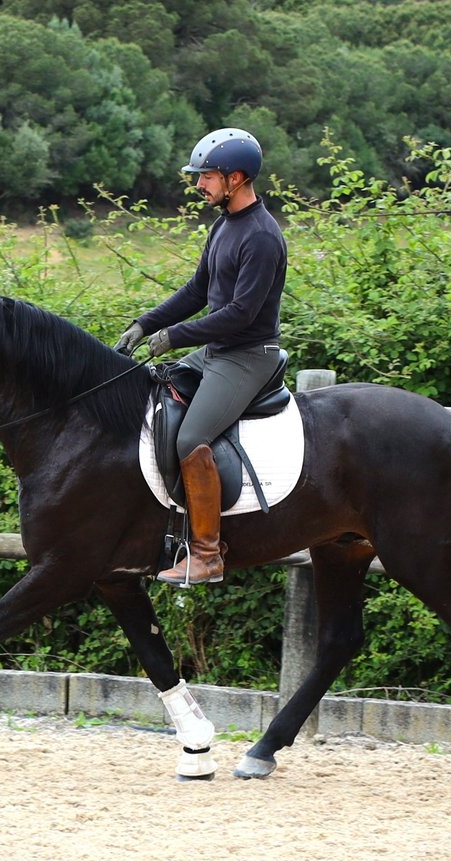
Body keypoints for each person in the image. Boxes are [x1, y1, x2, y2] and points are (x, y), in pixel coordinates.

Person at [115, 127, 287, 586]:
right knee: (147, 400)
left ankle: (208, 554)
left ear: (235, 178)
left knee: (191, 438)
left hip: (247, 356)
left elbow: (239, 314)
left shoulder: (263, 237)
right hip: (216, 352)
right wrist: (144, 325)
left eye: (206, 177)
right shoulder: (224, 224)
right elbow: (197, 291)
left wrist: (175, 336)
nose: (198, 186)